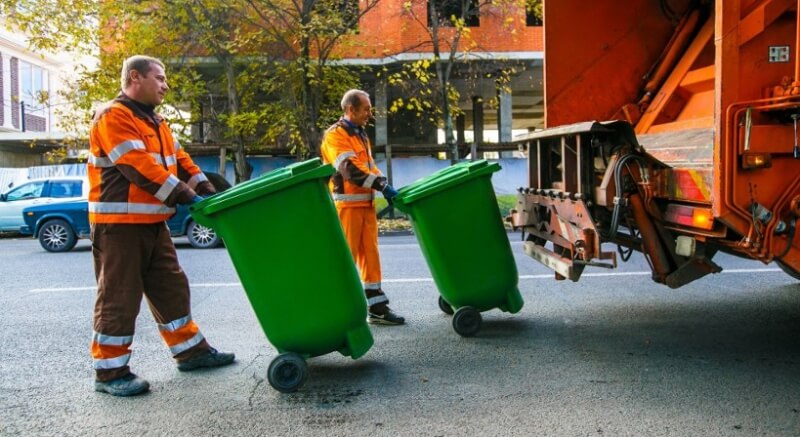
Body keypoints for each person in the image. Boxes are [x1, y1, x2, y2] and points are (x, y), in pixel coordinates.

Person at [88, 55, 235, 397]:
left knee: (172, 287)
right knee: (119, 297)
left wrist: (207, 191)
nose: (166, 85)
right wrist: (186, 196)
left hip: (153, 223)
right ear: (135, 78)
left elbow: (182, 163)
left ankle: (191, 351)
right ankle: (110, 373)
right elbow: (138, 168)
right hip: (119, 226)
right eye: (160, 78)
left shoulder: (157, 122)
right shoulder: (114, 116)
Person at [320, 89, 405, 326]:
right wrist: (381, 185)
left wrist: (385, 184)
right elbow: (349, 170)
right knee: (346, 260)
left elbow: (368, 167)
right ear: (350, 109)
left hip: (365, 205)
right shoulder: (335, 135)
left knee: (370, 256)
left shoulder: (360, 135)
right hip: (347, 207)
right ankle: (334, 309)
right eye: (366, 109)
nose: (369, 113)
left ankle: (377, 307)